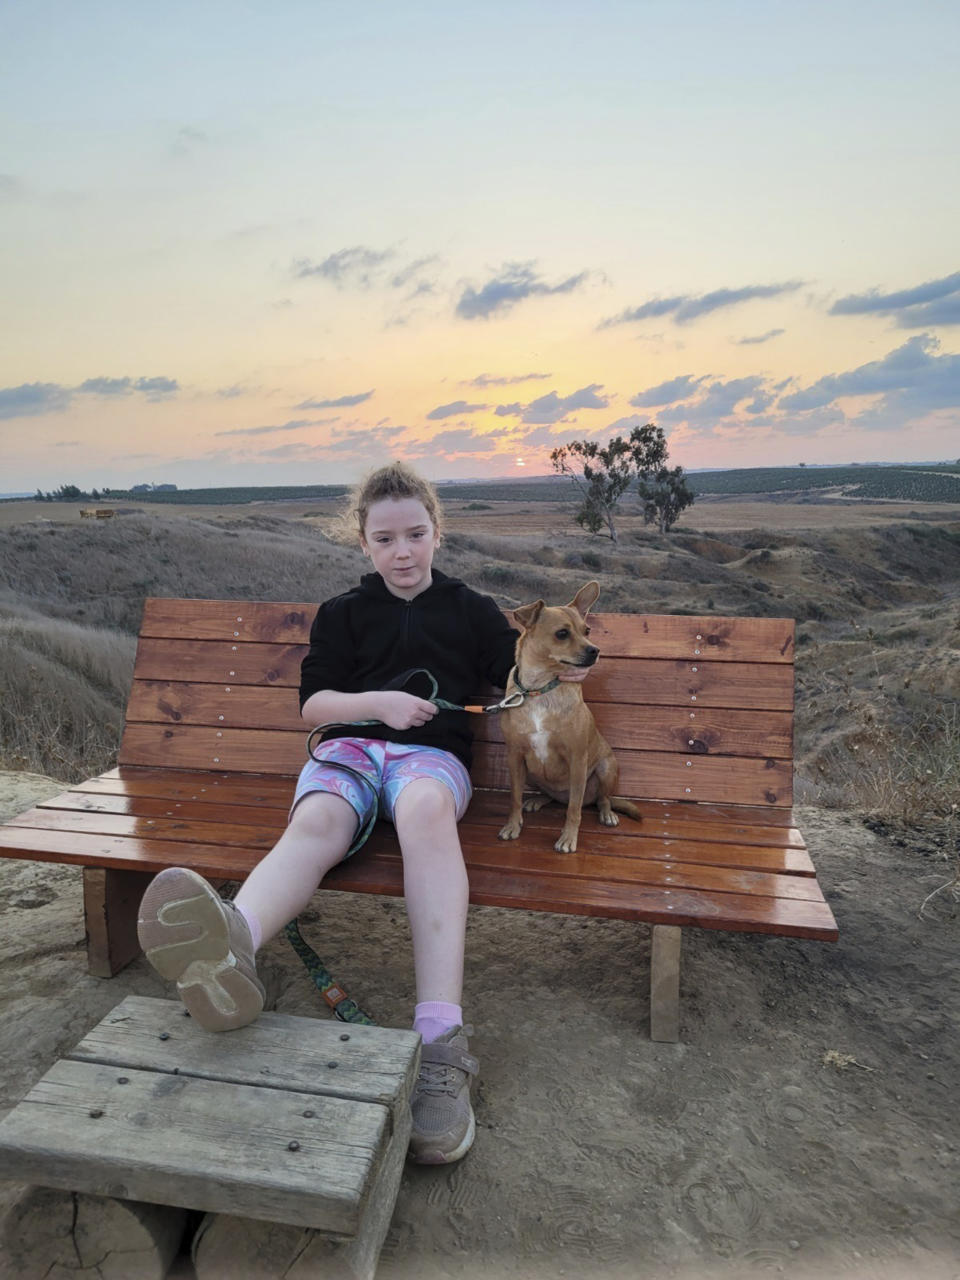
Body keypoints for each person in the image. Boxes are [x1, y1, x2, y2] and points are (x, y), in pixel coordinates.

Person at [137, 460, 591, 1165]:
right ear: (363, 544)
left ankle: (441, 1040)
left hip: (429, 761)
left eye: (415, 534)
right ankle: (231, 950)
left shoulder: (469, 609)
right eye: (386, 539)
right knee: (316, 823)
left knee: (426, 817)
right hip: (348, 749)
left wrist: (570, 660)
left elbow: (530, 658)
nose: (402, 552)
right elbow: (315, 705)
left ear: (438, 533)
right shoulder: (343, 614)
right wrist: (375, 705)